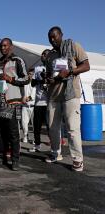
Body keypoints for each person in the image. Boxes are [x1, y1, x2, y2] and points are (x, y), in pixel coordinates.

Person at [45, 26, 90, 172]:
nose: (52, 40)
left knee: (72, 128)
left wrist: (70, 71)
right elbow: (49, 75)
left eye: (55, 36)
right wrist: (49, 79)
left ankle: (77, 159)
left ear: (61, 35)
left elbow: (86, 66)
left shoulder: (73, 46)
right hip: (54, 95)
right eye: (50, 37)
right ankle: (55, 153)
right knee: (52, 127)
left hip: (70, 94)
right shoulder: (50, 55)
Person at [0, 38, 29, 171]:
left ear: (11, 46)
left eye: (5, 46)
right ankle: (0, 156)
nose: (3, 48)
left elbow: (26, 79)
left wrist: (10, 78)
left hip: (12, 100)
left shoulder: (17, 60)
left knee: (13, 132)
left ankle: (15, 159)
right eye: (1, 46)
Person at [28, 49, 50, 152]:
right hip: (38, 102)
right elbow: (32, 84)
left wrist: (46, 81)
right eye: (42, 54)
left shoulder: (53, 68)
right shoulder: (38, 69)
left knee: (50, 127)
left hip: (49, 102)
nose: (42, 56)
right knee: (36, 126)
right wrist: (40, 80)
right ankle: (37, 145)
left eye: (45, 54)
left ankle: (54, 147)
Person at [21, 70, 36, 144]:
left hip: (33, 106)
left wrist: (26, 99)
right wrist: (22, 98)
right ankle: (25, 136)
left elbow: (33, 95)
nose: (30, 75)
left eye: (32, 74)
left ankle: (34, 138)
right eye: (29, 74)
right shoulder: (25, 83)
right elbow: (22, 92)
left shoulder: (35, 83)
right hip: (25, 106)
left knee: (34, 124)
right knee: (24, 123)